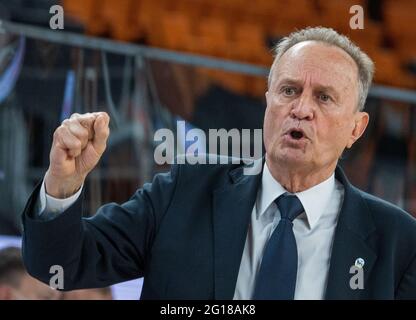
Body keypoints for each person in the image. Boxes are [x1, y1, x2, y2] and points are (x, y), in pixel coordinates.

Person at [21, 27, 416, 299]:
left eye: (324, 98)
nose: (300, 109)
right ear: (268, 104)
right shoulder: (185, 190)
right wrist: (61, 185)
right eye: (289, 90)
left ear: (356, 128)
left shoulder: (397, 240)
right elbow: (61, 264)